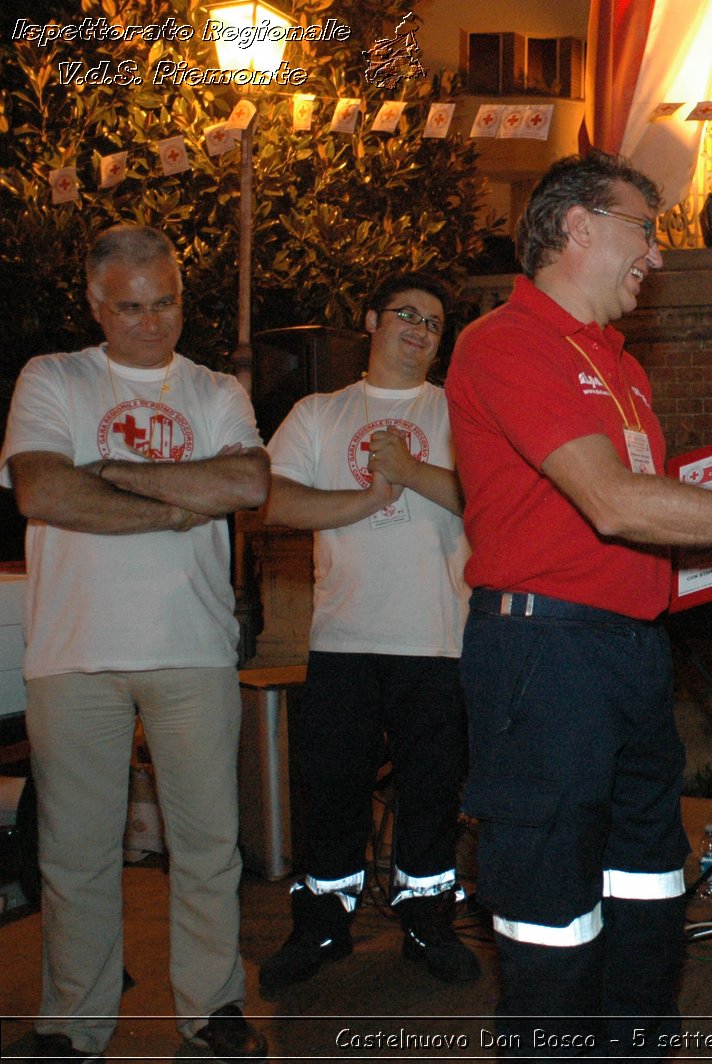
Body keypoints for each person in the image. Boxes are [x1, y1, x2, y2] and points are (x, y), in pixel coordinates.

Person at [444, 152, 712, 1054]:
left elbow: (627, 543)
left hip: (628, 655)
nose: (659, 256)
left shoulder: (622, 370)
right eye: (647, 229)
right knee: (551, 914)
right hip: (545, 662)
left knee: (647, 887)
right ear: (577, 228)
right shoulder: (508, 343)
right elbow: (614, 502)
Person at [0, 224, 270, 1061]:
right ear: (94, 303)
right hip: (72, 651)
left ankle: (213, 1008)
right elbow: (43, 492)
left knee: (208, 847)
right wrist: (180, 505)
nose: (150, 325)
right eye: (129, 308)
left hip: (191, 648)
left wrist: (105, 471)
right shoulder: (52, 377)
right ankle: (73, 1025)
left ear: (181, 295)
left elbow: (249, 482)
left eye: (165, 304)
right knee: (74, 858)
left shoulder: (216, 388)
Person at [257, 273, 478, 996]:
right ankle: (322, 921)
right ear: (372, 320)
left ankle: (428, 921)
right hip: (345, 640)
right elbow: (275, 502)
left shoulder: (460, 413)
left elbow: (492, 503)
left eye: (435, 323)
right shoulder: (320, 412)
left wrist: (412, 471)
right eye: (407, 315)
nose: (420, 330)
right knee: (333, 790)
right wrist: (364, 499)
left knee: (432, 794)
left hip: (439, 642)